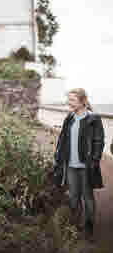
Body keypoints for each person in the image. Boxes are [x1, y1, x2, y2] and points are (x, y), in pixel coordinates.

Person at [53, 88, 105, 240]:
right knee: (73, 196)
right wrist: (58, 156)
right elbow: (62, 139)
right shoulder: (69, 117)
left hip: (86, 165)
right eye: (69, 99)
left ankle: (89, 225)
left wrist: (94, 161)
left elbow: (99, 141)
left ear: (82, 101)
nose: (69, 103)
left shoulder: (93, 118)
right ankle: (75, 222)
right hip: (70, 164)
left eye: (73, 100)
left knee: (87, 196)